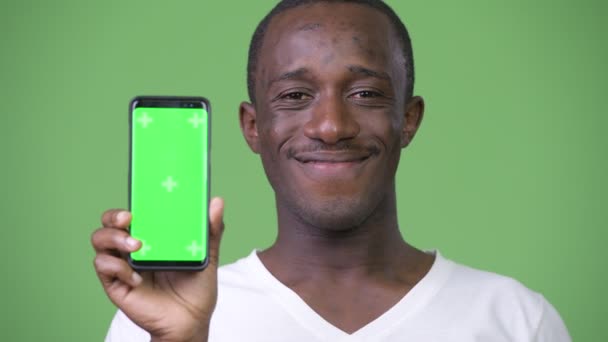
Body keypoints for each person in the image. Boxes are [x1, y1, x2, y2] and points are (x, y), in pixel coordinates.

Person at [92, 1, 572, 341]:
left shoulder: (517, 320)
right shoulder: (153, 322)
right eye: (295, 96)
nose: (330, 126)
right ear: (253, 126)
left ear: (408, 118)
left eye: (364, 93)